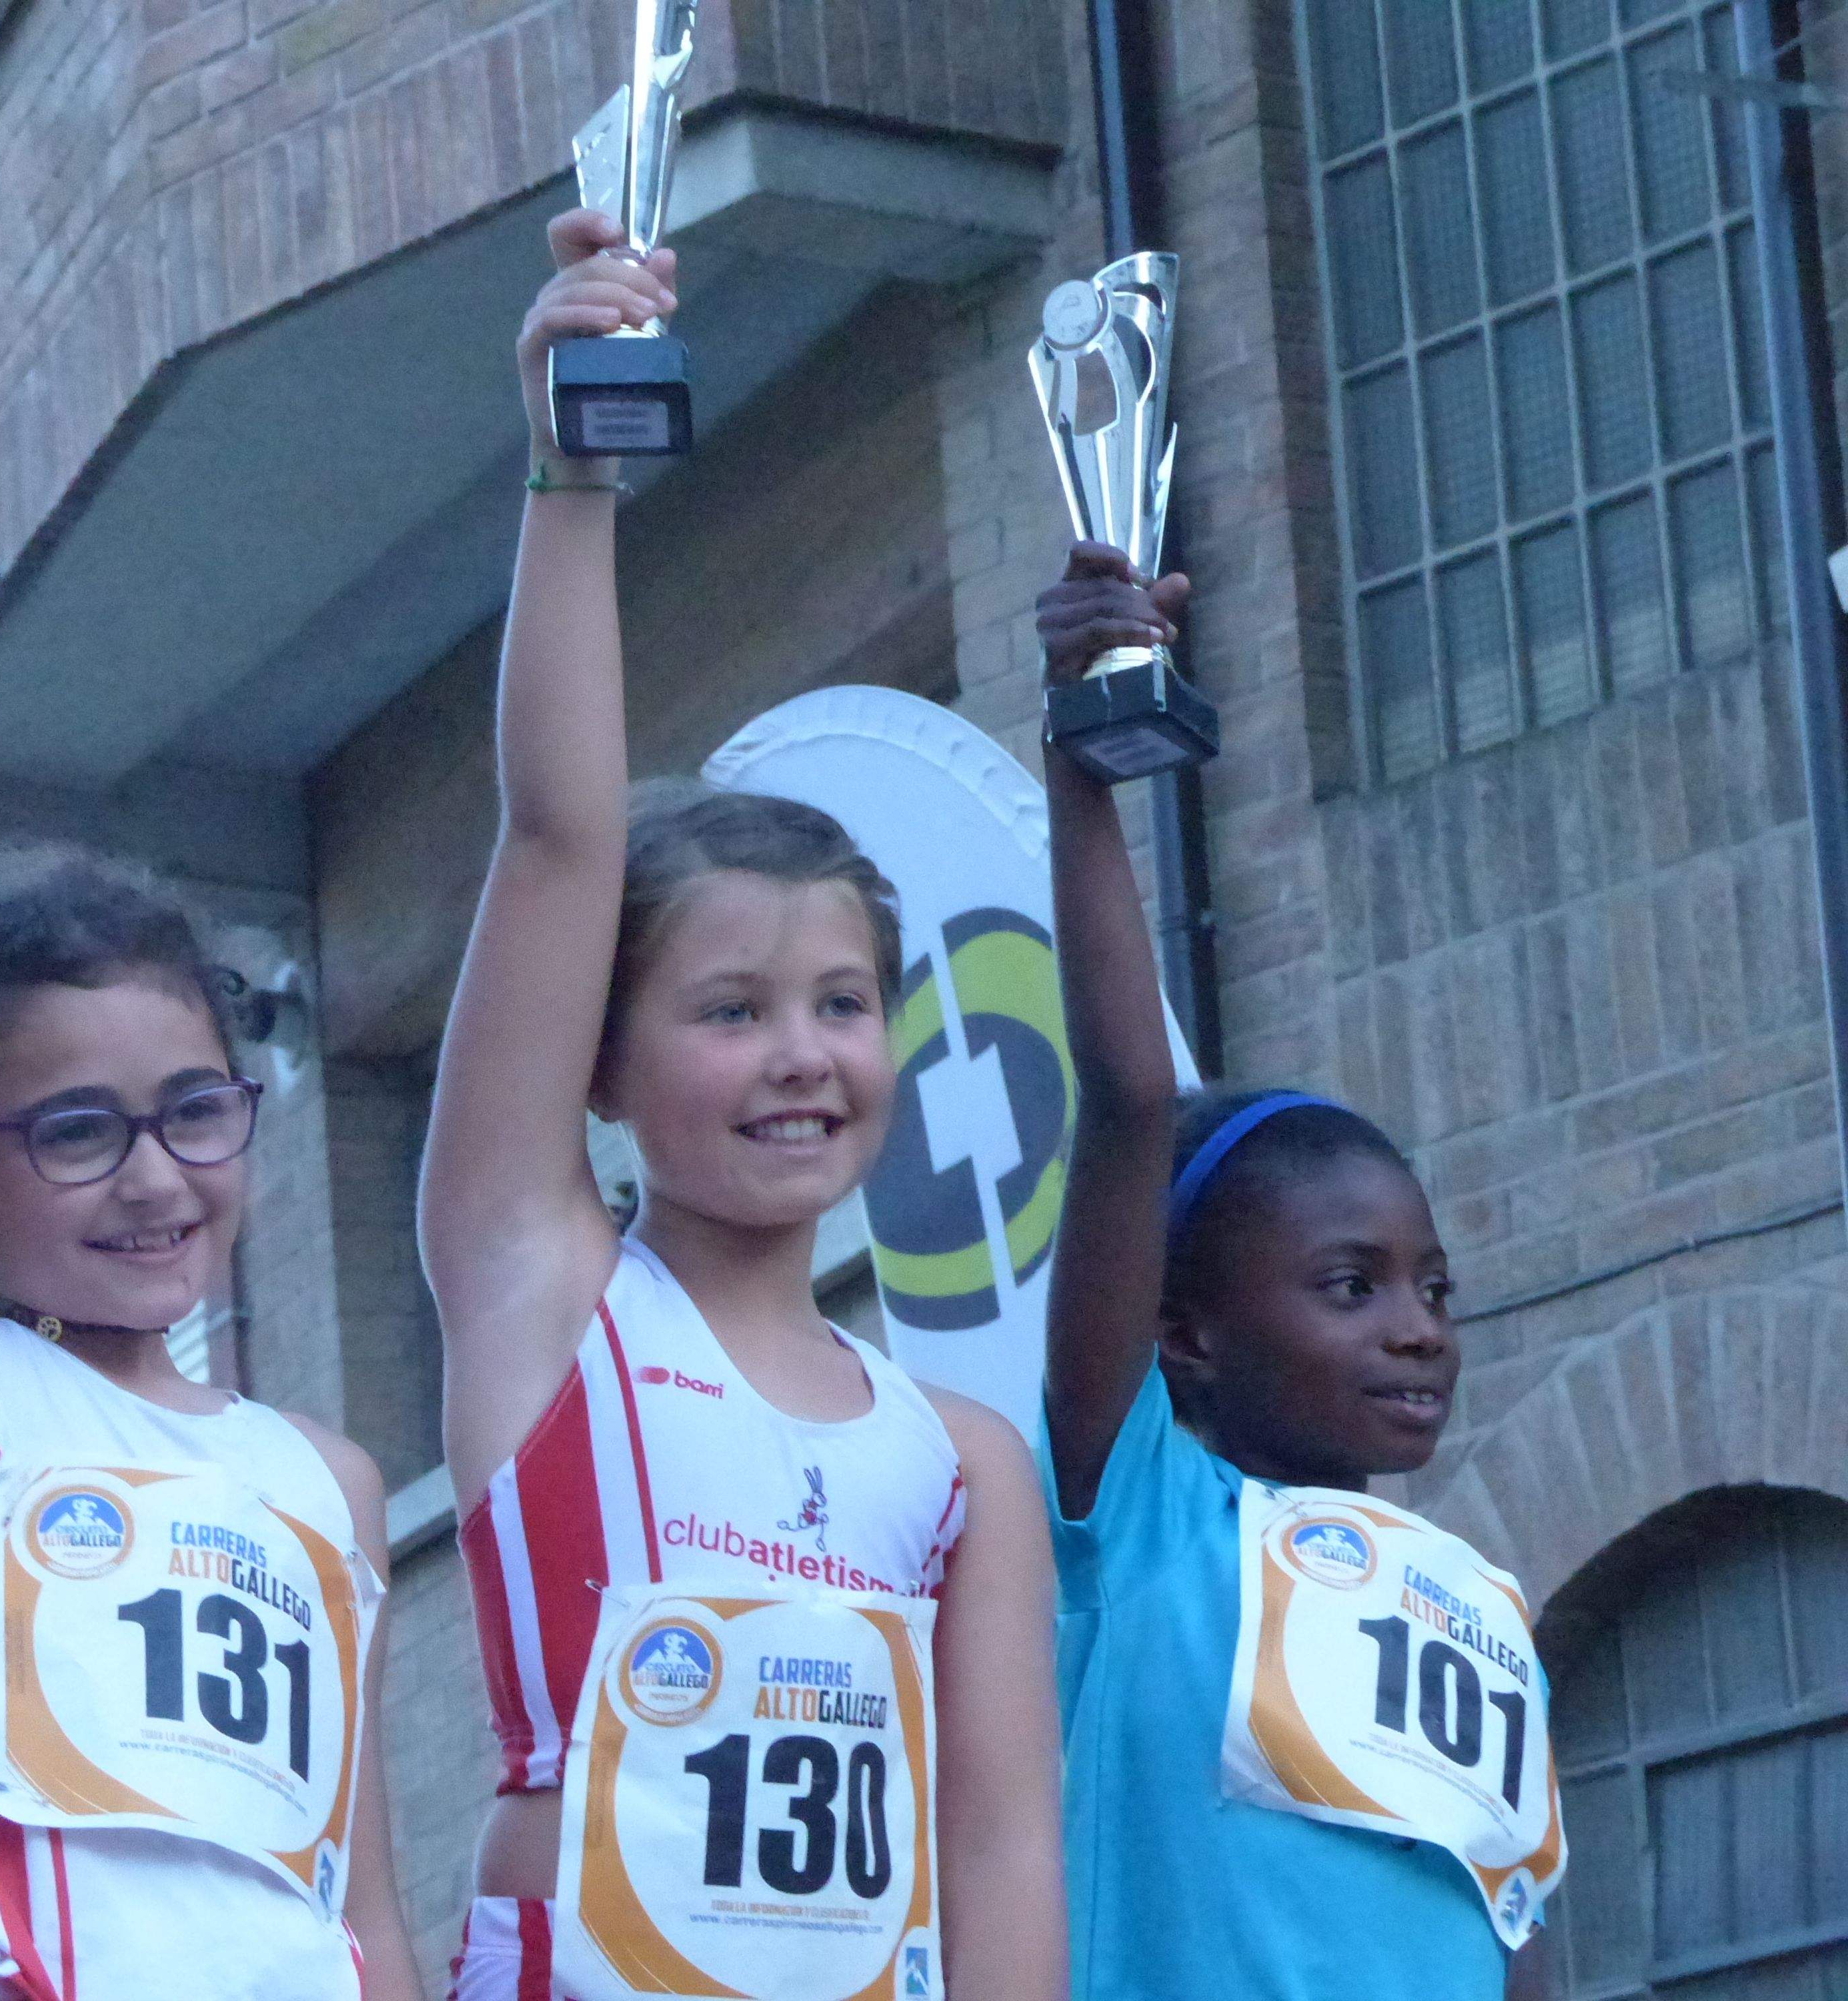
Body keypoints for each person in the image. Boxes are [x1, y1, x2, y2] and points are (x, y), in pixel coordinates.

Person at [417, 207, 1066, 2001]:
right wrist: (571, 477)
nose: (802, 1054)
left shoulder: (963, 1462)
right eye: (731, 1010)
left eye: (843, 1005)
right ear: (603, 1064)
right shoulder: (543, 1291)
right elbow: (557, 843)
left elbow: (1003, 1839)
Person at [0, 401, 419, 2001]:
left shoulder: (326, 1480)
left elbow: (357, 1902)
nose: (154, 1174)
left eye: (195, 1111)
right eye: (75, 1131)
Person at [1036, 544, 1564, 2001]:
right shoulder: (1132, 1513)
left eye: (1432, 1289)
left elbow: (1502, 1934)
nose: (1415, 1333)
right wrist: (1081, 760)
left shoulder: (1477, 1605)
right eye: (1350, 1287)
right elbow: (1131, 1096)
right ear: (1178, 1332)